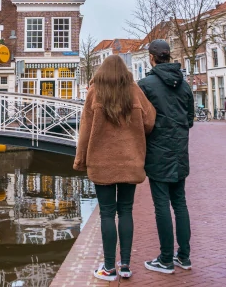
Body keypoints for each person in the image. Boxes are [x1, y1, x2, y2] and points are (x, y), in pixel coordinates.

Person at [73, 55, 156, 282]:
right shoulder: (134, 91)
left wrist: (81, 160)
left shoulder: (94, 92)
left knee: (107, 213)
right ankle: (126, 265)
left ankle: (109, 267)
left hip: (102, 163)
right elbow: (150, 121)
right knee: (126, 211)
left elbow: (85, 132)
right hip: (131, 162)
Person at [138, 39, 194, 274]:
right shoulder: (185, 85)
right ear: (168, 57)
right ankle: (184, 257)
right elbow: (190, 119)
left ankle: (165, 260)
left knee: (161, 205)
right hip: (179, 152)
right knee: (180, 203)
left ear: (151, 58)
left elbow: (139, 120)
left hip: (157, 153)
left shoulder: (145, 85)